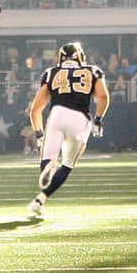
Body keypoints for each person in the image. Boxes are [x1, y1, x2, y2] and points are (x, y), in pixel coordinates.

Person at [26, 41, 108, 220]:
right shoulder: (92, 71)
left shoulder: (51, 72)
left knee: (47, 158)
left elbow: (35, 110)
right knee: (68, 164)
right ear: (80, 57)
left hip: (57, 114)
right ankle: (44, 194)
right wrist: (99, 119)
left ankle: (40, 198)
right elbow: (103, 96)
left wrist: (39, 133)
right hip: (80, 119)